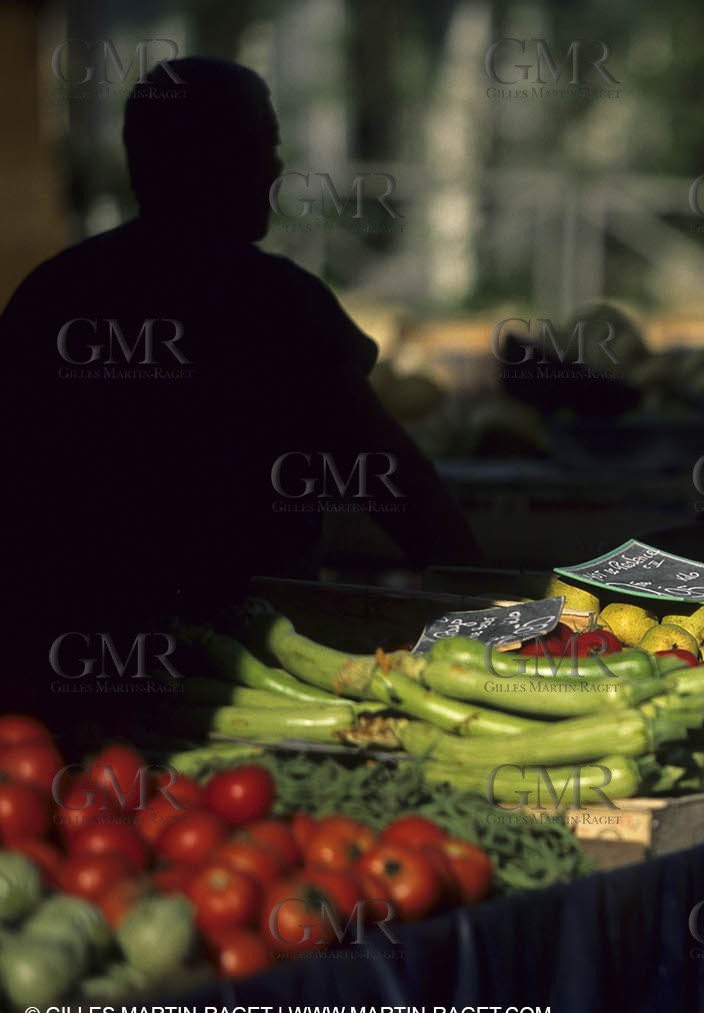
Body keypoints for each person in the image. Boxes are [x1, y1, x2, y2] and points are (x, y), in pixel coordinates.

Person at [4, 57, 480, 706]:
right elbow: (398, 487)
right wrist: (493, 606)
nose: (275, 167)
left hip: (60, 661)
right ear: (208, 161)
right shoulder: (276, 304)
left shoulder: (53, 293)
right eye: (263, 143)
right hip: (249, 669)